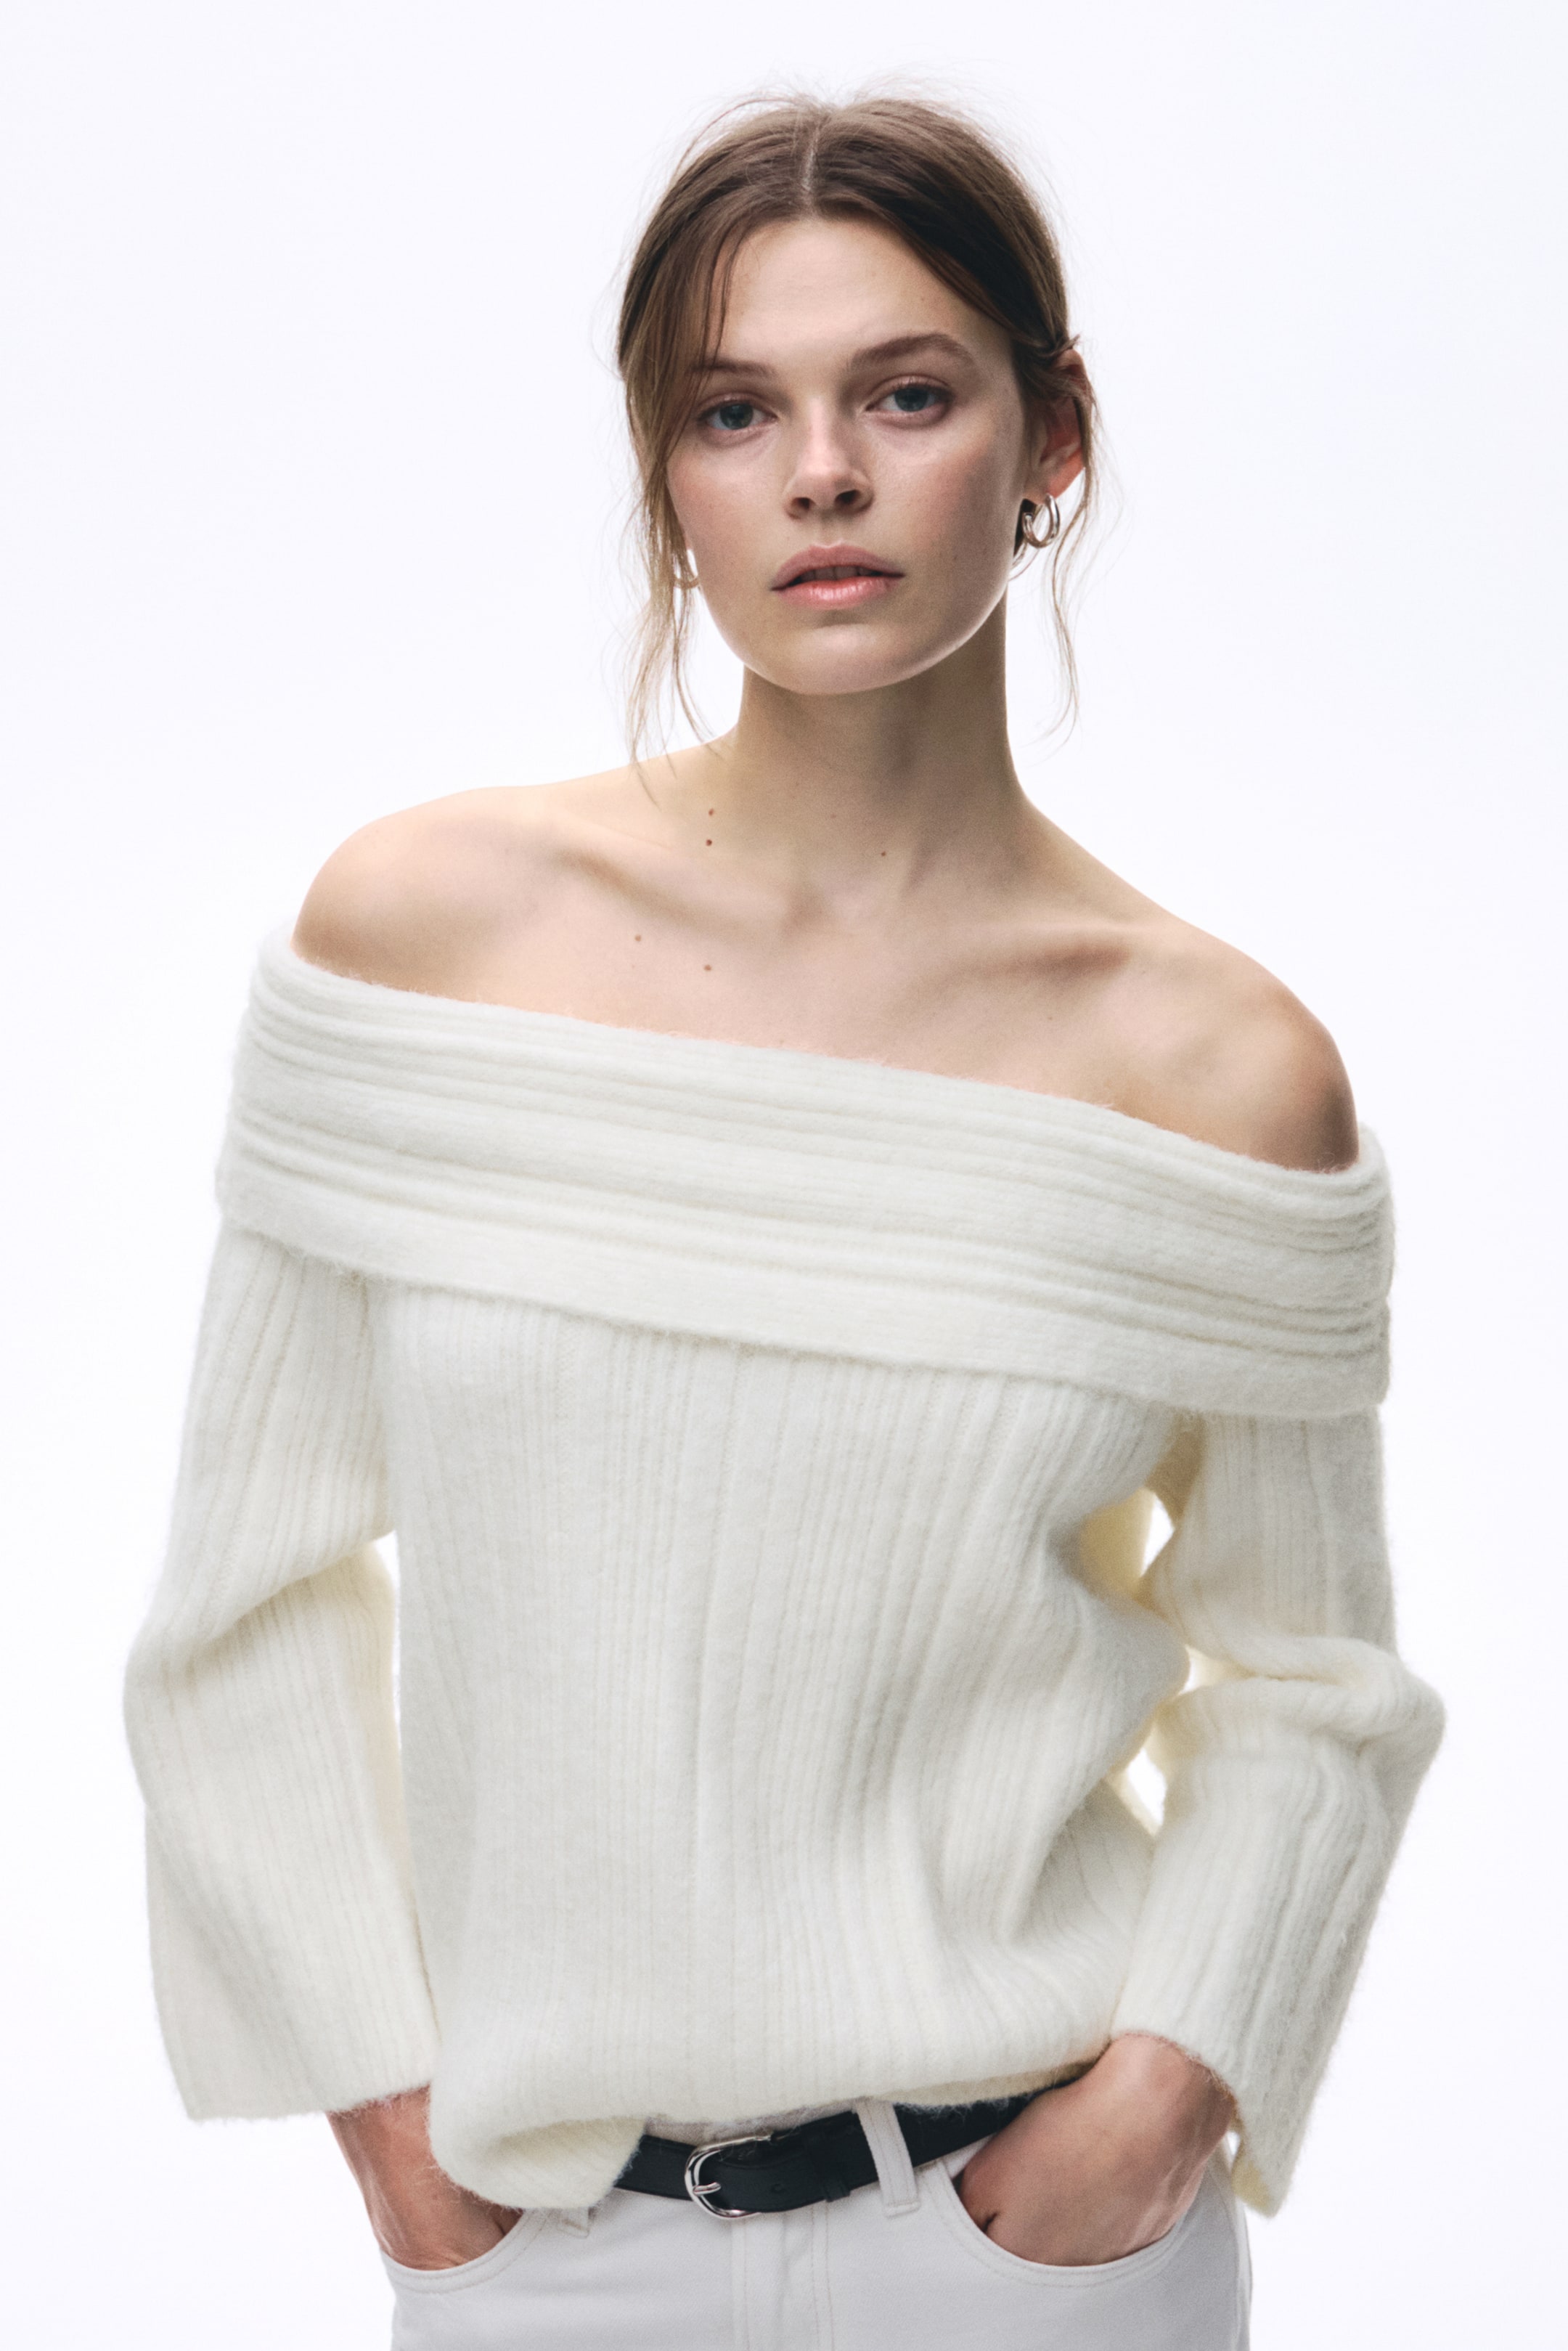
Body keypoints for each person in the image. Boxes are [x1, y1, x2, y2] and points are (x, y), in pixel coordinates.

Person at [125, 94, 1443, 2350]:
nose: (820, 474)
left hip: (1034, 2256)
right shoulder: (425, 945)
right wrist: (394, 2134)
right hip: (551, 2251)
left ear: (1052, 437)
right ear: (669, 474)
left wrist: (1161, 2102)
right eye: (735, 412)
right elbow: (239, 1605)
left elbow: (1316, 1681)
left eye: (905, 396)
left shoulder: (1216, 1070)